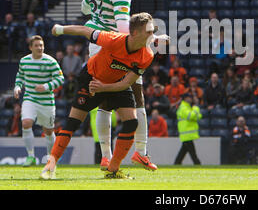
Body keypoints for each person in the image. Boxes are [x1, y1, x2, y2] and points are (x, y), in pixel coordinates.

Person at [41, 13, 157, 179]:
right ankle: (50, 163)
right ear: (135, 33)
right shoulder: (113, 39)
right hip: (91, 79)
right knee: (73, 123)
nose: (152, 36)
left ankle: (113, 169)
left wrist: (105, 87)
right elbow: (85, 30)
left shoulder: (147, 55)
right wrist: (60, 29)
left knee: (131, 123)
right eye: (149, 31)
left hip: (115, 84)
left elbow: (126, 83)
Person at [81, 0, 158, 172]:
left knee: (104, 102)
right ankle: (141, 153)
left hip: (96, 44)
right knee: (137, 96)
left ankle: (106, 156)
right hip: (117, 46)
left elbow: (85, 9)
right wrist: (151, 38)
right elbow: (125, 30)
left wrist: (100, 18)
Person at [14, 35, 64, 167]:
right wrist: (17, 87)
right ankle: (31, 156)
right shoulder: (24, 61)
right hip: (30, 98)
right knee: (26, 123)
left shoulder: (50, 61)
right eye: (36, 45)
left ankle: (50, 157)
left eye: (41, 45)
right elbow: (20, 76)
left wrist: (46, 86)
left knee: (48, 131)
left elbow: (60, 79)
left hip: (46, 101)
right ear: (30, 47)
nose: (39, 47)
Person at [174, 93, 202, 165]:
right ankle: (197, 164)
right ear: (185, 99)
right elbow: (191, 116)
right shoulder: (183, 107)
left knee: (184, 151)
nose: (190, 99)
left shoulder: (188, 107)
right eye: (189, 97)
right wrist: (196, 108)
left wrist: (194, 112)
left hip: (187, 134)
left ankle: (177, 163)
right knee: (192, 153)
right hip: (186, 133)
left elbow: (199, 117)